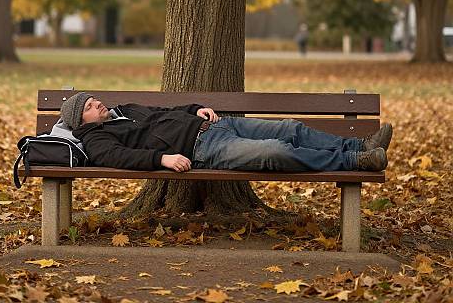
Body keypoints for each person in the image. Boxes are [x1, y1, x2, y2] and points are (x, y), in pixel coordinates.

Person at [60, 92, 392, 173]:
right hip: (203, 150)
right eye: (90, 106)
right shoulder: (96, 139)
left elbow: (164, 113)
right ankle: (357, 161)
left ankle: (360, 143)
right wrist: (162, 158)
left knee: (289, 128)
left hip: (218, 123)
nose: (98, 104)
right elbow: (118, 157)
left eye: (95, 100)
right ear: (80, 120)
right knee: (274, 151)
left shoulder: (126, 109)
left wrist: (195, 109)